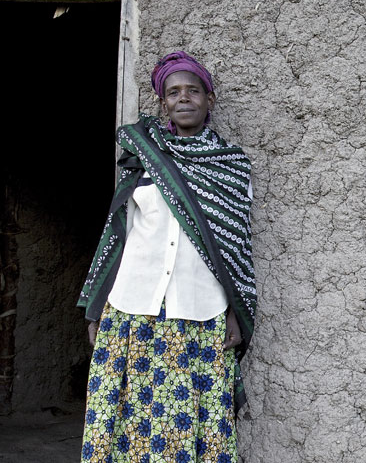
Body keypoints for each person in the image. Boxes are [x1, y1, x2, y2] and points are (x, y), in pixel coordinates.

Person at [76, 51, 256, 463]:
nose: (184, 98)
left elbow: (237, 249)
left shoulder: (231, 167)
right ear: (163, 103)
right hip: (131, 311)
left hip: (200, 313)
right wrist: (96, 303)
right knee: (124, 422)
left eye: (193, 90)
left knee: (193, 427)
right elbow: (115, 238)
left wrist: (235, 312)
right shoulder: (143, 160)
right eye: (173, 92)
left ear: (209, 99)